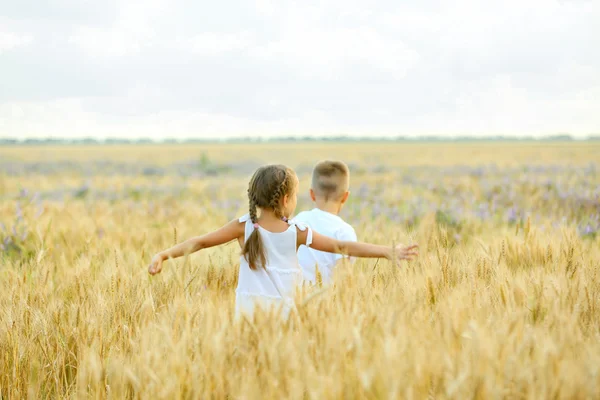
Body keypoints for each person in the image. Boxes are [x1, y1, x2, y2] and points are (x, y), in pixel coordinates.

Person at [147, 164, 418, 318]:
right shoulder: (297, 231)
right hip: (285, 319)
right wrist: (386, 251)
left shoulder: (245, 226)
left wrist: (163, 254)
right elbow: (343, 247)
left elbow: (201, 242)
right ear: (286, 199)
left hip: (248, 317)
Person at [294, 160, 357, 285]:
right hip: (327, 302)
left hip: (292, 301)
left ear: (312, 194)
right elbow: (342, 284)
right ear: (345, 197)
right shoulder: (344, 231)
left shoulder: (297, 221)